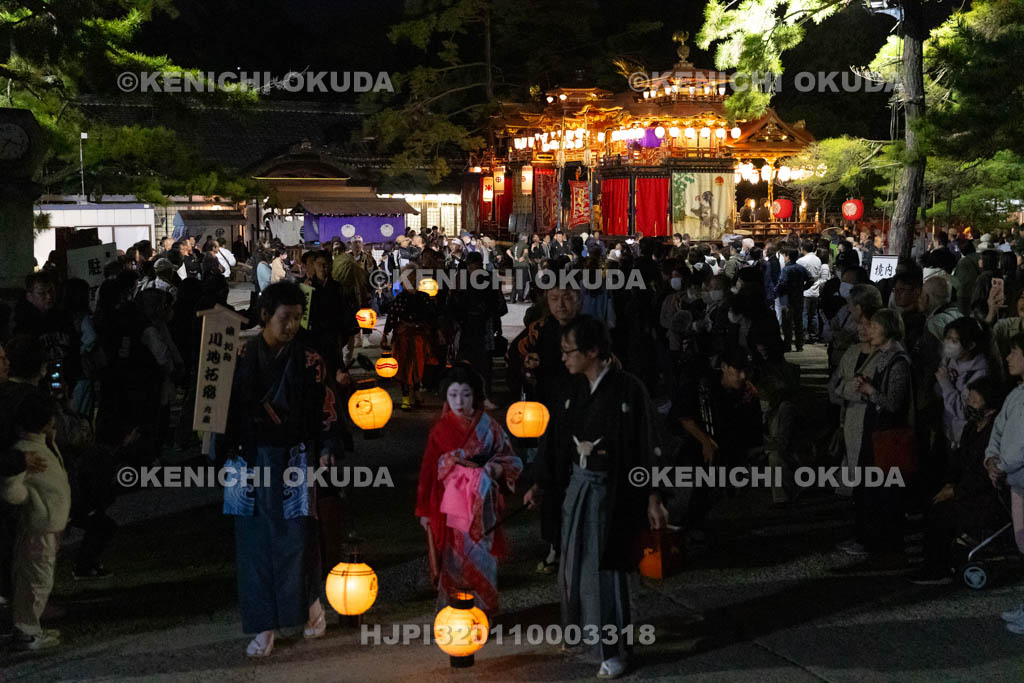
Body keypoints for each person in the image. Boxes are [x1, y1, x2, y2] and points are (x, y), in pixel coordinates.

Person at [524, 316, 667, 679]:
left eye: (570, 351)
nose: (564, 358)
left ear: (592, 351)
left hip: (613, 491)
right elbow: (554, 440)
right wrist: (541, 483)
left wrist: (653, 496)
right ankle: (580, 633)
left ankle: (614, 649)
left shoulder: (628, 390)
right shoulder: (570, 390)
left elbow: (647, 444)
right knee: (573, 568)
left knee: (607, 572)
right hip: (577, 488)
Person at [212, 282, 342, 657]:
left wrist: (329, 445)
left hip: (295, 456)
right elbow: (216, 407)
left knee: (298, 538)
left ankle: (308, 608)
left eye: (298, 318)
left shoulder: (308, 357)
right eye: (285, 318)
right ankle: (263, 625)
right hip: (245, 457)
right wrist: (217, 454)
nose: (291, 326)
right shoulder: (237, 352)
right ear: (265, 315)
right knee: (252, 545)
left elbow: (326, 404)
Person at [415, 366, 522, 616]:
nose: (459, 402)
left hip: (482, 502)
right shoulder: (440, 430)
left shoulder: (490, 427)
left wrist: (494, 470)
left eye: (465, 394)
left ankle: (485, 608)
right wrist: (423, 510)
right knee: (452, 555)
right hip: (450, 505)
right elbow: (428, 471)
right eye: (453, 395)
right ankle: (456, 612)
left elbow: (511, 459)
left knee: (482, 552)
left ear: (475, 396)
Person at [910, 376, 1007, 584]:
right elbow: (958, 461)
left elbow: (986, 477)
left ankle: (938, 570)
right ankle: (934, 561)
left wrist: (956, 491)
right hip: (965, 489)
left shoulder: (996, 433)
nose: (969, 405)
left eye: (974, 401)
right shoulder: (971, 428)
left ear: (990, 408)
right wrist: (949, 483)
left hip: (984, 498)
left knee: (941, 513)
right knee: (931, 502)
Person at [841, 309, 912, 556]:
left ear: (888, 328)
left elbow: (893, 403)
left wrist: (870, 390)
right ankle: (869, 538)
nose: (869, 331)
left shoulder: (898, 360)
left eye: (874, 326)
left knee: (884, 491)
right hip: (876, 430)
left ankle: (885, 544)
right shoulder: (883, 356)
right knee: (869, 486)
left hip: (888, 433)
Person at [1, 391, 69, 651]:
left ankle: (28, 627)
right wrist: (28, 498)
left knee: (37, 577)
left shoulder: (39, 446)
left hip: (45, 526)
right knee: (35, 579)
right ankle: (27, 631)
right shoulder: (29, 452)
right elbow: (10, 489)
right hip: (38, 527)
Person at [986, 335, 1024, 633]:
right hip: (1016, 483)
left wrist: (1000, 464)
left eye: (1014, 352)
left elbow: (1020, 446)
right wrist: (991, 458)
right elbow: (998, 428)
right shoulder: (1016, 393)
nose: (1009, 358)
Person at [382, 265, 439, 410]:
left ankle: (417, 392)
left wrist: (438, 331)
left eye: (414, 277)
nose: (411, 280)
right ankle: (406, 396)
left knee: (419, 366)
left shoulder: (424, 297)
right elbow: (392, 317)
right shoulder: (400, 299)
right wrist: (385, 334)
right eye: (408, 277)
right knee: (404, 367)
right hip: (404, 337)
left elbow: (431, 317)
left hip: (420, 336)